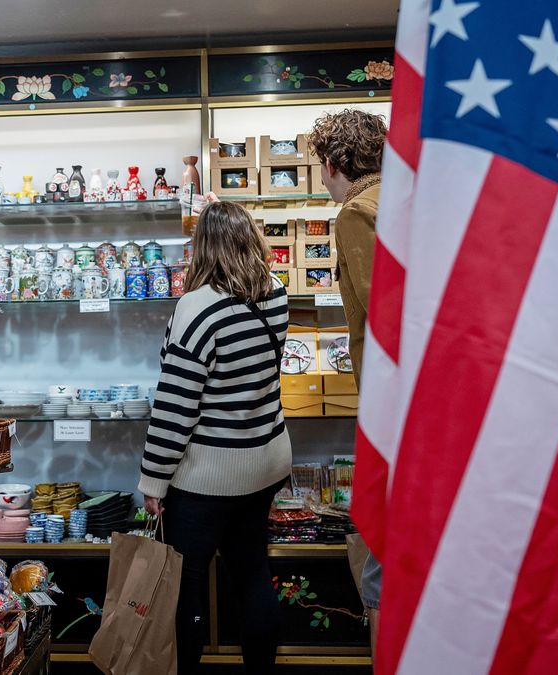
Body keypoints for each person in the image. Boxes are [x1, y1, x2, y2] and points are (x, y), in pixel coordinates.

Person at [139, 200, 292, 674]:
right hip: (265, 459)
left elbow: (175, 408)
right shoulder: (276, 295)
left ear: (202, 247)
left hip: (209, 474)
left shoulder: (197, 308)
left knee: (185, 585)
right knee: (251, 571)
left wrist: (153, 481)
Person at [308, 107, 387, 648]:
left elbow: (386, 314)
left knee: (385, 551)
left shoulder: (357, 213)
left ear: (334, 164)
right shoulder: (408, 197)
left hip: (396, 401)